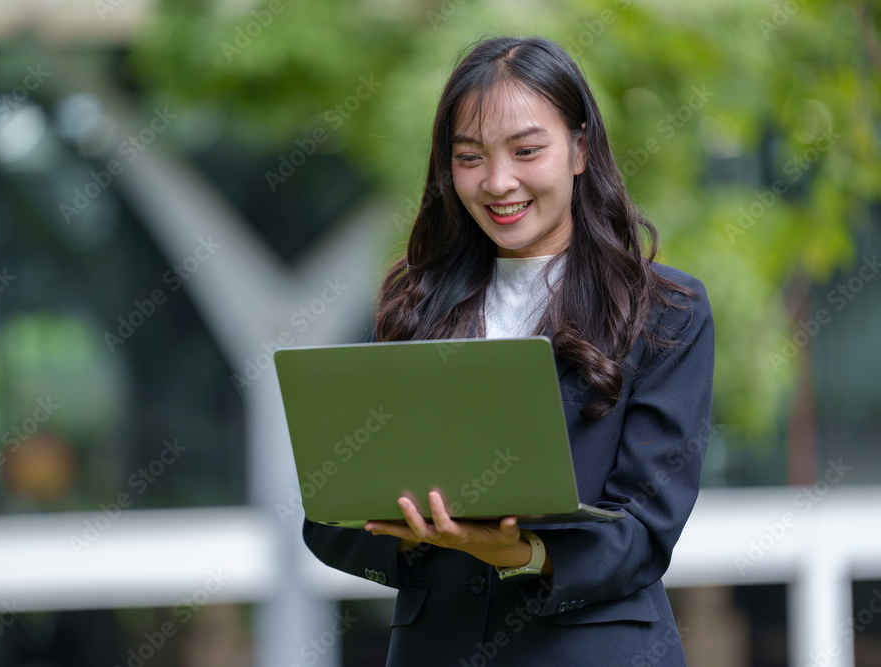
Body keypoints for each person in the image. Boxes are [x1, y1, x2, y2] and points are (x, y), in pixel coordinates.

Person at [303, 35, 714, 665]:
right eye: (469, 157)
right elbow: (329, 519)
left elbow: (644, 529)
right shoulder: (412, 308)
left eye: (526, 150)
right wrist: (417, 538)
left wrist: (525, 556)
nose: (498, 183)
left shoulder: (665, 313)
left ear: (580, 148)